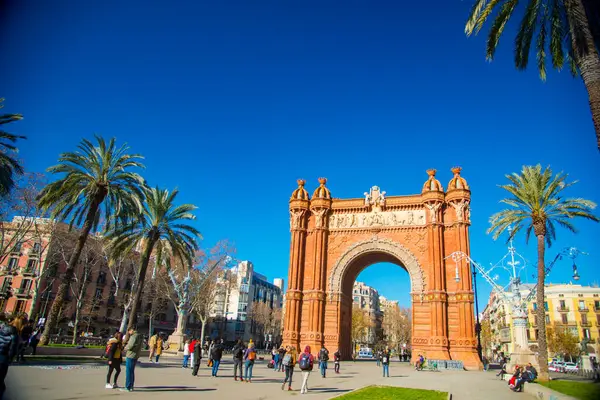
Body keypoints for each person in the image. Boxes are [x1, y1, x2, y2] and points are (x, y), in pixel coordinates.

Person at [0, 313, 18, 398]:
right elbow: (13, 349)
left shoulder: (1, 329)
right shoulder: (13, 333)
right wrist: (10, 359)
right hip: (3, 358)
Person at [121, 327, 143, 392]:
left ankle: (127, 387)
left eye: (129, 331)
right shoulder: (140, 336)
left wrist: (125, 348)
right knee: (131, 371)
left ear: (132, 330)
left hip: (131, 355)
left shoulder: (134, 336)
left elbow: (130, 345)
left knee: (128, 371)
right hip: (136, 355)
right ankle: (131, 386)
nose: (129, 333)